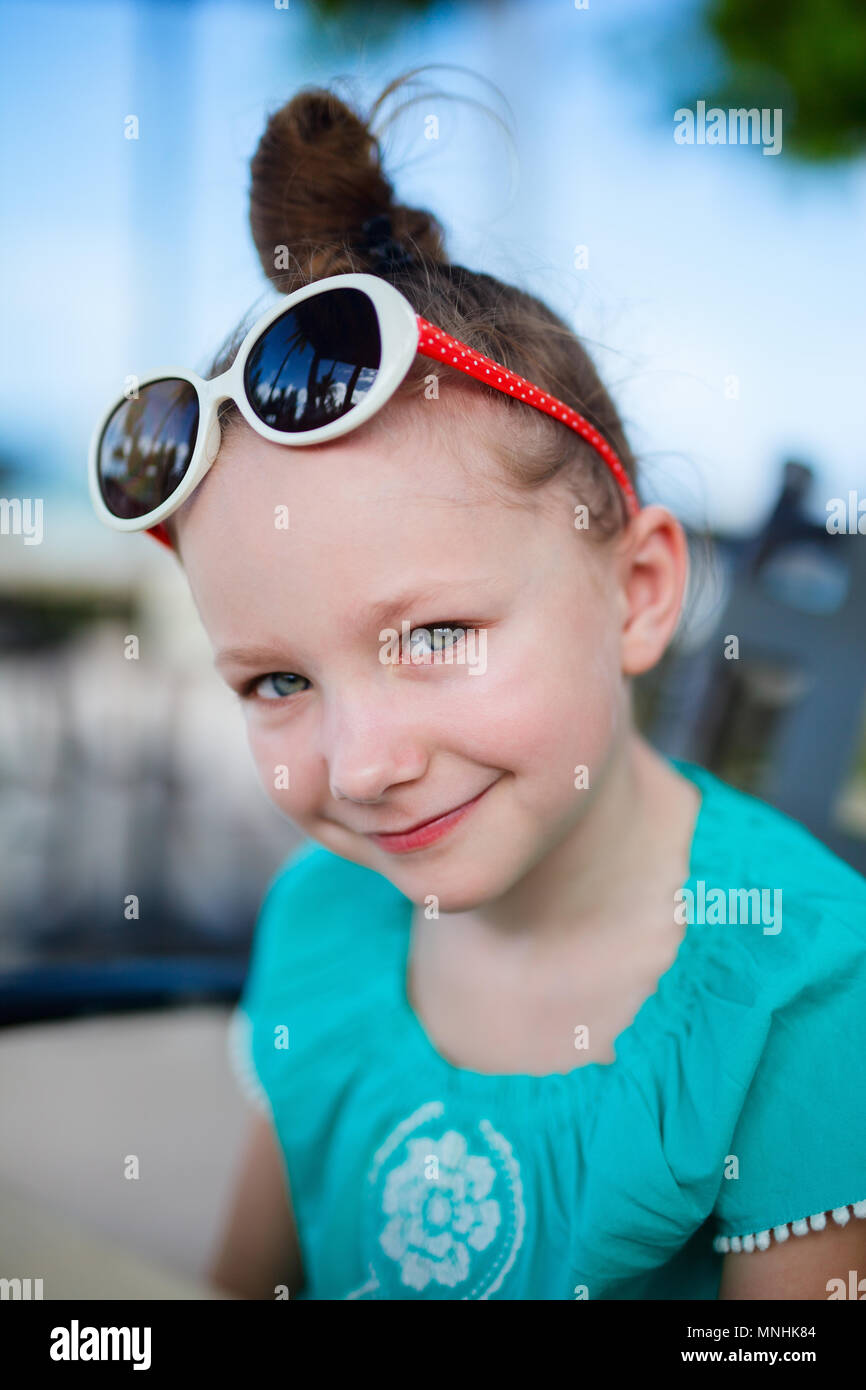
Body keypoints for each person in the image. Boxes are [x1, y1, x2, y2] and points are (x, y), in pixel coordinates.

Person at [88, 70, 866, 1301]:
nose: (361, 765)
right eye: (278, 678)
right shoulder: (323, 922)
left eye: (435, 633)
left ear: (640, 590)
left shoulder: (804, 988)